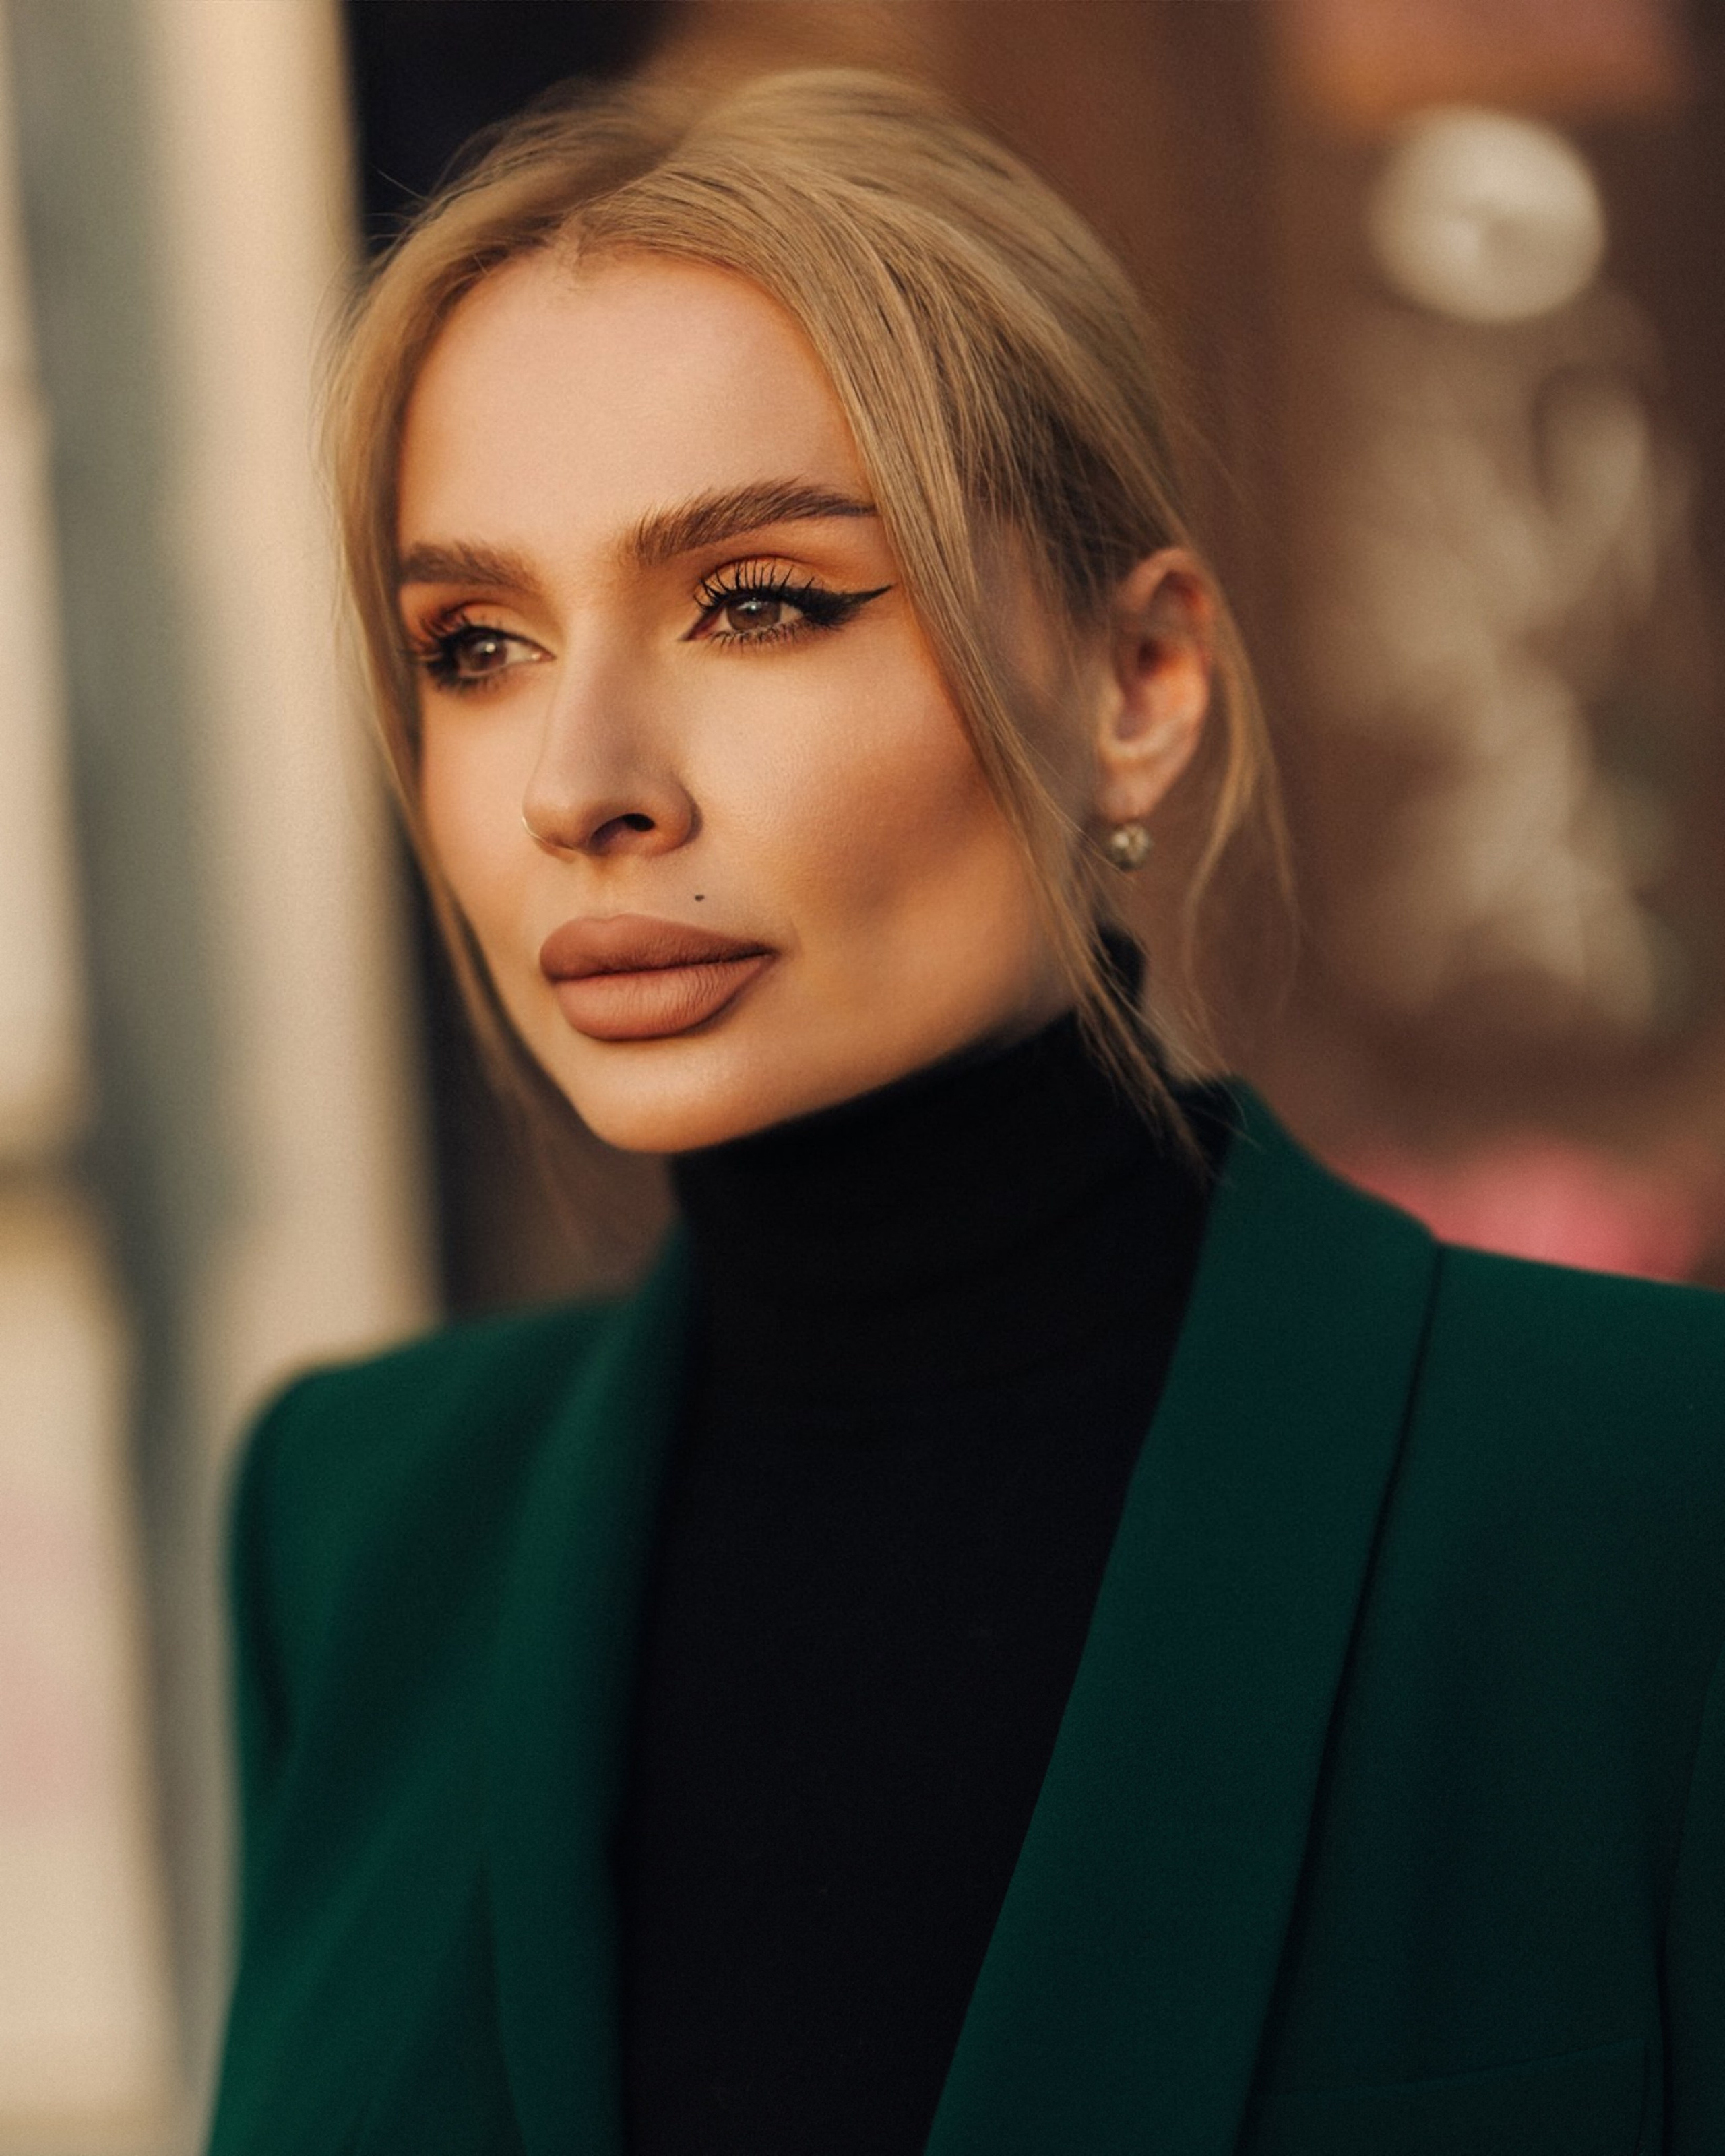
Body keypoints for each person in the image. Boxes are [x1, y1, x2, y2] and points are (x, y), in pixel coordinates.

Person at [206, 67, 1725, 2156]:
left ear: (1138, 683)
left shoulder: (1643, 1498)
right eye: (476, 643)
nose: (580, 782)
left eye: (758, 601)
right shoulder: (355, 1522)